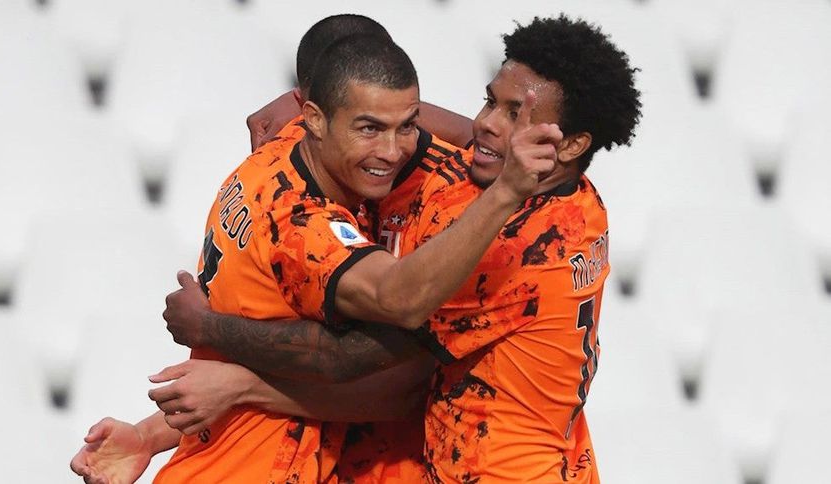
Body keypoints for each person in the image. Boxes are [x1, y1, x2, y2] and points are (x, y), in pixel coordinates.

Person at [160, 15, 641, 483]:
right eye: (489, 102)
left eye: (514, 114)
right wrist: (317, 96)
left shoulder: (515, 244)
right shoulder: (578, 202)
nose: (485, 124)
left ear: (572, 145)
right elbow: (461, 137)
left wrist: (209, 329)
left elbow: (350, 359)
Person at [70, 28, 560, 484]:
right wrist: (506, 192)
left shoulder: (276, 156)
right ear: (316, 118)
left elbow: (250, 356)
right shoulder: (305, 229)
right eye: (370, 128)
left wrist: (152, 432)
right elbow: (390, 343)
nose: (393, 151)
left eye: (407, 126)